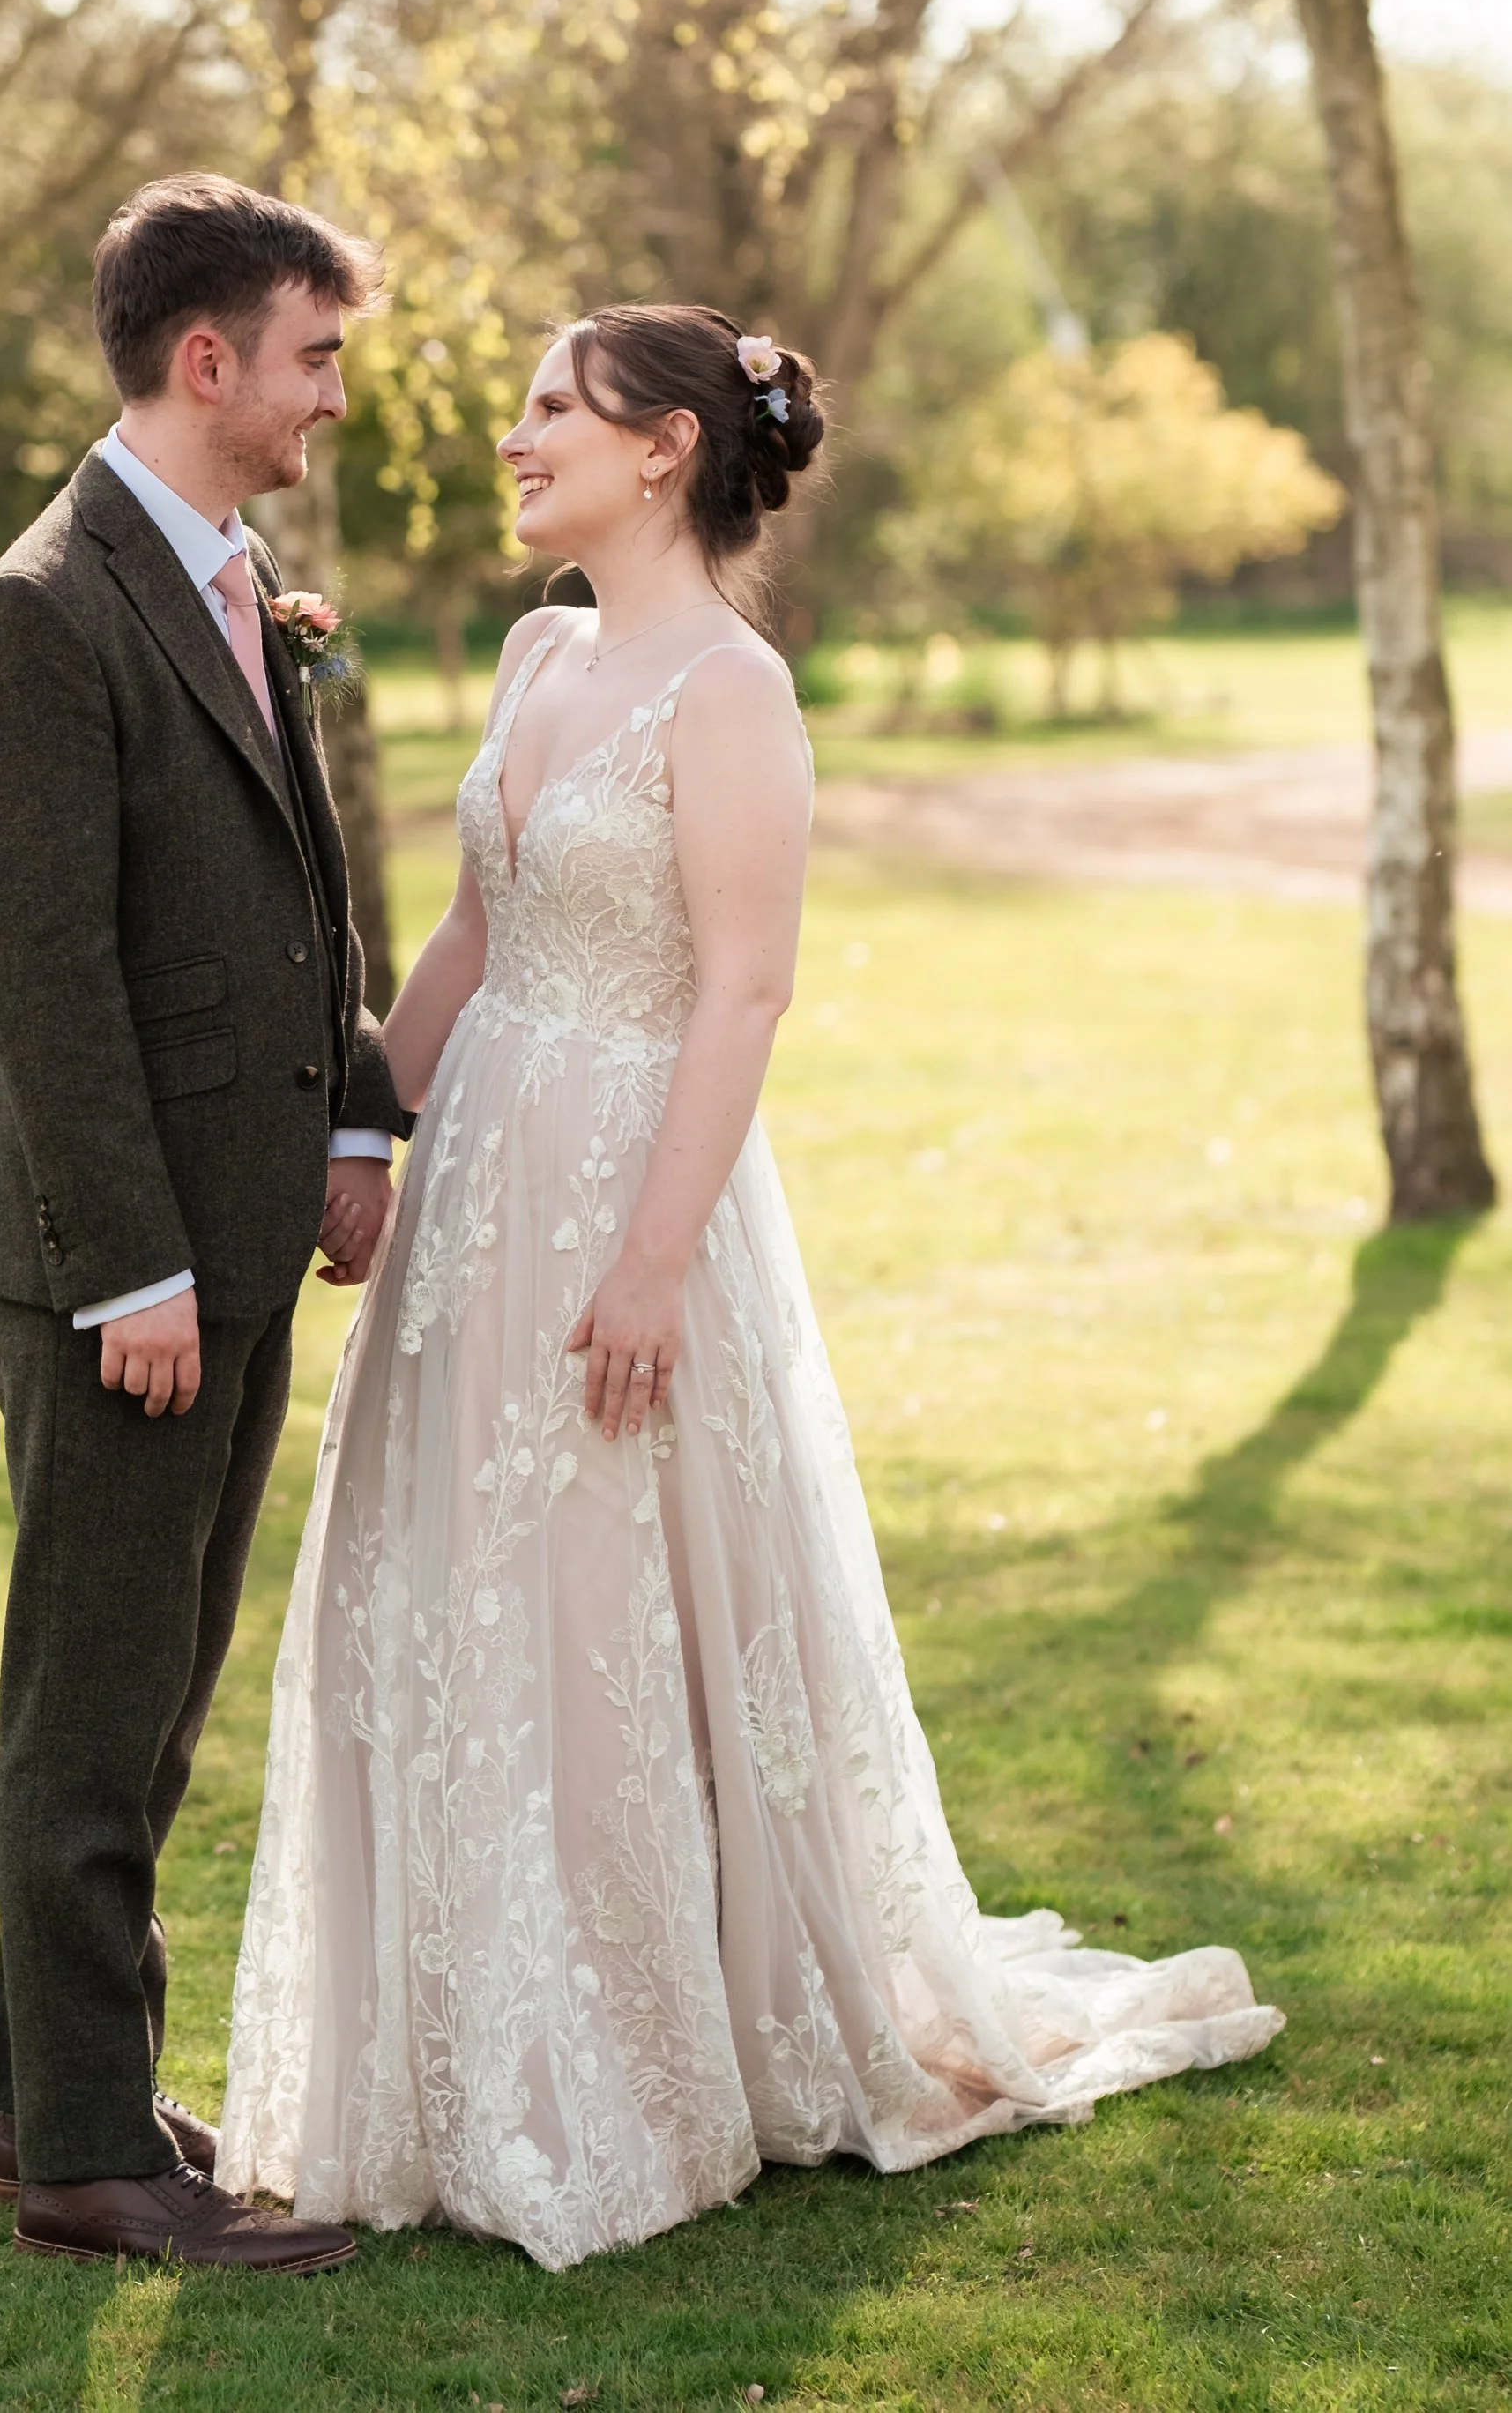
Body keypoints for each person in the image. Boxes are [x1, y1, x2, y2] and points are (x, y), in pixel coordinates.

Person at [220, 302, 1282, 2272]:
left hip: (635, 1181)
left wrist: (643, 1260)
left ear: (664, 450)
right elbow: (465, 927)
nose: (515, 435)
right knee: (459, 1594)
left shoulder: (729, 694)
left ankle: (642, 2049)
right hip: (477, 1183)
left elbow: (744, 988)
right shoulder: (541, 651)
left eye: (555, 408)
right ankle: (459, 2044)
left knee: (610, 1602)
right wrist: (362, 1129)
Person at [0, 172, 410, 2274]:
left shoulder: (230, 571)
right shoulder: (43, 608)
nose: (327, 404)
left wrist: (357, 1110)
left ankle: (70, 2106)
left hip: (227, 1232)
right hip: (118, 1266)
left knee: (156, 1685)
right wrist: (132, 1267)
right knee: (94, 1700)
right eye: (311, 360)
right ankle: (91, 2167)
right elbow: (48, 975)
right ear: (203, 360)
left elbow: (303, 882)